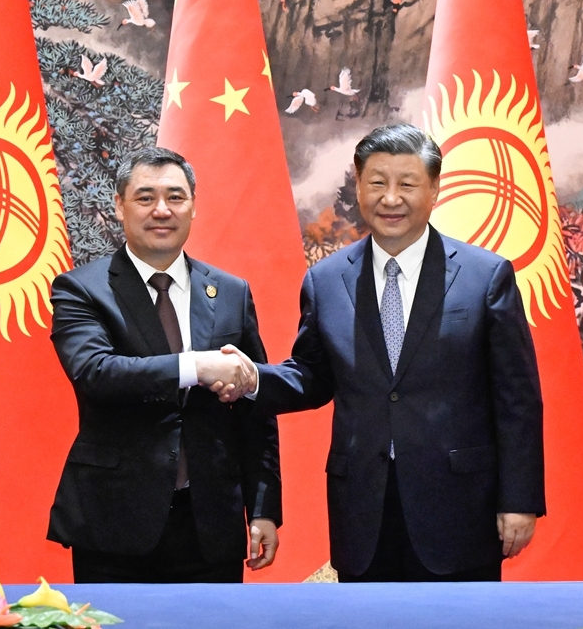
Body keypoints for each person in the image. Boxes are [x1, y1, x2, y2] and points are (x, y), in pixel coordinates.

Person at [218, 123, 545, 582]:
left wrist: (519, 500)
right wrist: (253, 378)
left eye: (407, 184)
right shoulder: (326, 280)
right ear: (358, 186)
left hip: (458, 506)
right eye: (377, 183)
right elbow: (312, 377)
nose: (391, 199)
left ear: (434, 188)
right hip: (362, 508)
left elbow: (517, 400)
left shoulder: (484, 276)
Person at [47, 146, 279, 583]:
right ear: (120, 205)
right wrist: (195, 367)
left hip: (211, 522)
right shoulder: (81, 289)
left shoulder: (231, 292)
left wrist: (265, 507)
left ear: (193, 206)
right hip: (115, 523)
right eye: (145, 197)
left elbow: (255, 410)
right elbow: (96, 374)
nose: (161, 210)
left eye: (175, 197)